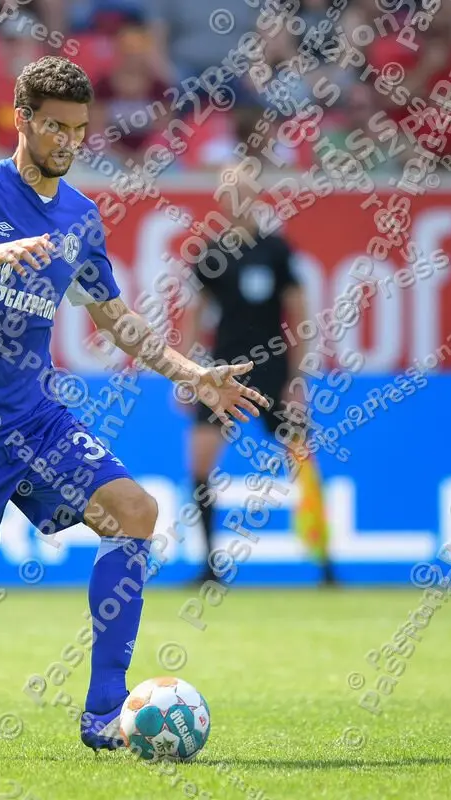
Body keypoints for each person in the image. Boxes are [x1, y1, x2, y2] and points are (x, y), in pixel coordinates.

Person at [0, 56, 267, 760]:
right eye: (58, 127)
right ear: (26, 121)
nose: (71, 141)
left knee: (135, 512)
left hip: (34, 416)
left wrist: (194, 374)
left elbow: (115, 318)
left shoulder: (79, 216)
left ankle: (104, 713)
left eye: (81, 128)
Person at [179, 163, 336, 587]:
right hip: (222, 372)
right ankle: (210, 565)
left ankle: (324, 563)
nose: (236, 201)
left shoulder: (277, 251)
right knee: (200, 460)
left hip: (272, 370)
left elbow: (300, 315)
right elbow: (195, 317)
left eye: (243, 192)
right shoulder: (209, 253)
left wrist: (298, 378)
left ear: (256, 196)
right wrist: (186, 373)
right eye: (229, 194)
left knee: (301, 456)